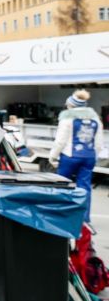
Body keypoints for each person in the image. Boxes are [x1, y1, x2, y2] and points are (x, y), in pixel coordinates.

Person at [51, 89, 105, 223]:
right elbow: (99, 143)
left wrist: (53, 156)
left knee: (61, 185)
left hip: (69, 157)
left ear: (72, 105)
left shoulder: (67, 118)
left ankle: (60, 214)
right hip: (89, 157)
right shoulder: (95, 119)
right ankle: (84, 218)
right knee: (84, 187)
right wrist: (94, 156)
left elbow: (60, 141)